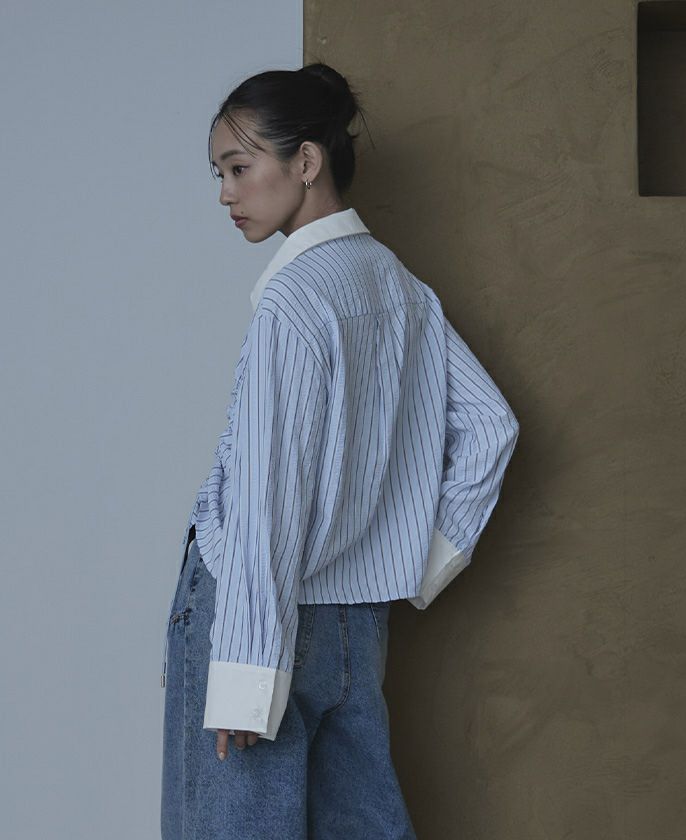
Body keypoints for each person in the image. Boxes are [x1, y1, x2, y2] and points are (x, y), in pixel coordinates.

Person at [160, 62, 519, 840]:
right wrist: (420, 561)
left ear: (306, 161)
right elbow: (491, 424)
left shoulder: (293, 300)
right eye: (221, 173)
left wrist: (247, 676)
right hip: (357, 624)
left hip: (261, 614)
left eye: (239, 167)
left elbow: (266, 496)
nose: (225, 193)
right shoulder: (395, 283)